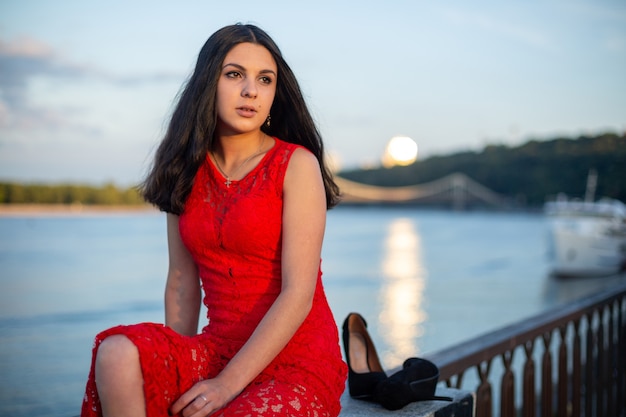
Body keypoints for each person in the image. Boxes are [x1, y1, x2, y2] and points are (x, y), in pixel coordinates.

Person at [80, 23, 347, 417]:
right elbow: (181, 282)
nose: (251, 91)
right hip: (218, 348)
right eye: (234, 74)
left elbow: (298, 293)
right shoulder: (183, 169)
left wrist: (225, 385)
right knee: (116, 353)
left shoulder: (296, 165)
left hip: (296, 362)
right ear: (209, 82)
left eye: (265, 80)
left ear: (276, 92)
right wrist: (176, 366)